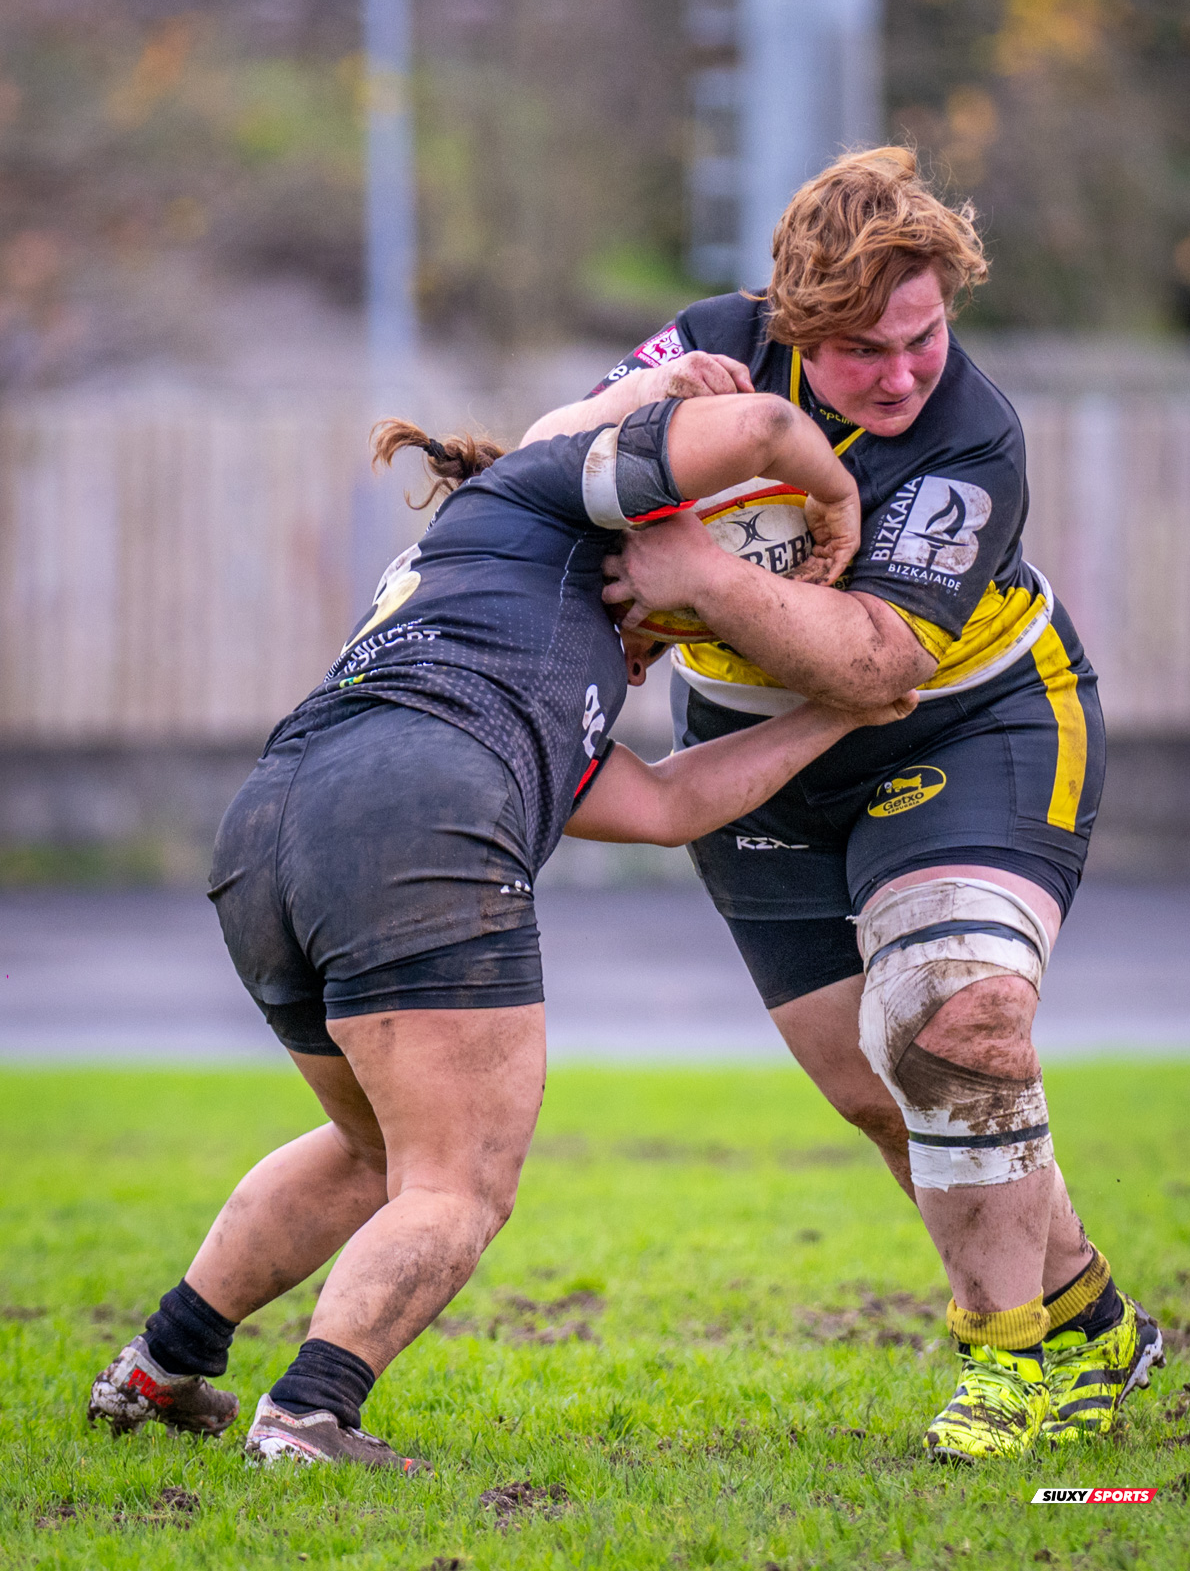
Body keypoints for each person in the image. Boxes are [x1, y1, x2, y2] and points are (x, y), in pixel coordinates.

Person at [87, 388, 914, 1467]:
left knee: (373, 1150)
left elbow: (664, 805)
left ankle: (160, 1365)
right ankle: (310, 1416)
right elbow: (762, 431)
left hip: (272, 824)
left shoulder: (499, 617)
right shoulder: (549, 494)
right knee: (459, 1180)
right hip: (421, 805)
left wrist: (839, 710)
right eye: (667, 620)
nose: (661, 637)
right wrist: (838, 498)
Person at [523, 147, 1162, 1462]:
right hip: (757, 754)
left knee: (952, 1018)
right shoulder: (717, 346)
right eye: (867, 350)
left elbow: (878, 664)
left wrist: (697, 569)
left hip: (972, 717)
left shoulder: (970, 432)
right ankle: (1097, 1326)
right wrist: (644, 398)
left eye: (923, 335)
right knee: (889, 1090)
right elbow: (539, 465)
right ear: (793, 326)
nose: (904, 372)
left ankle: (1011, 1365)